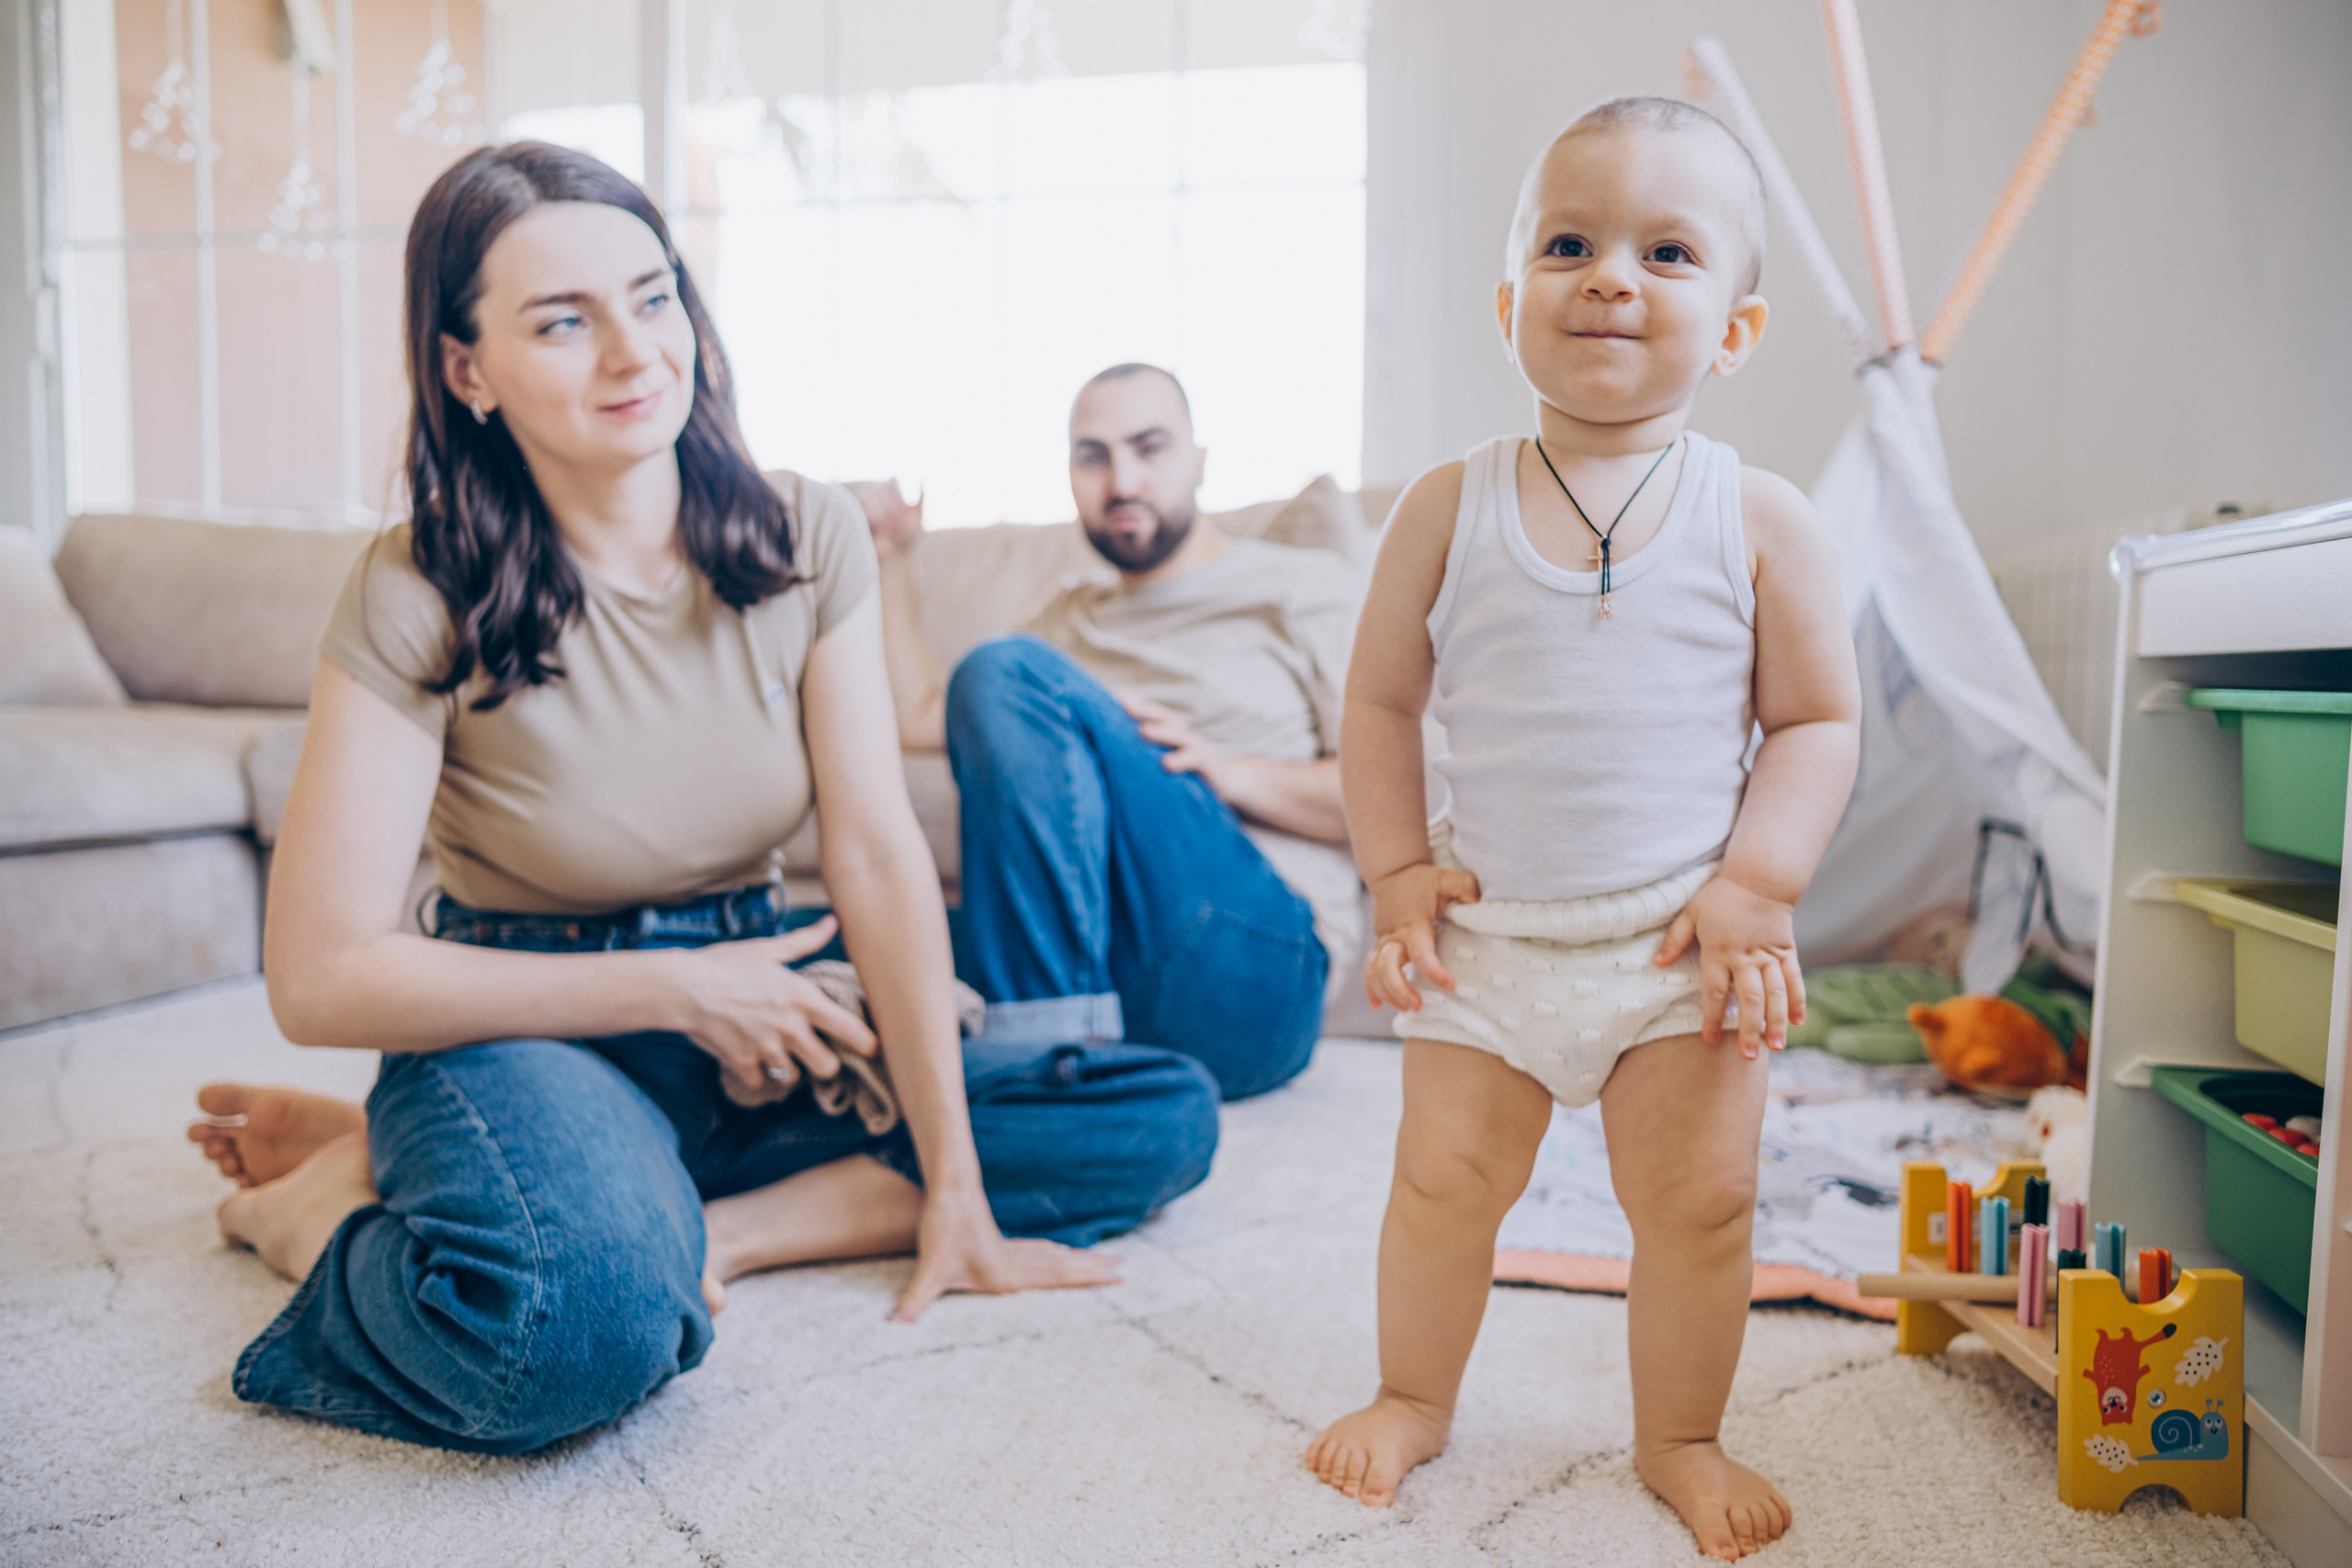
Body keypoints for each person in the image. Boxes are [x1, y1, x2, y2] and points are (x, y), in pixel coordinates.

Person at [184, 143, 1220, 1455]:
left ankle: (697, 1226)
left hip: (776, 1006)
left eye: (653, 295)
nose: (634, 353)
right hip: (530, 1019)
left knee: (1158, 1106)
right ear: (467, 369)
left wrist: (959, 1189)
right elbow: (321, 976)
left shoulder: (804, 536)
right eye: (565, 321)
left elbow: (880, 860)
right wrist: (677, 989)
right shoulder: (417, 583)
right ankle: (329, 1209)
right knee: (577, 1335)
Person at [1304, 98, 1860, 1561]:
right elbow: (1376, 701)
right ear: (1511, 306)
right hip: (1490, 942)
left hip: (1685, 938)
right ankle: (1414, 1393)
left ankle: (1681, 1431)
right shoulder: (1446, 505)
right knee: (1441, 1185)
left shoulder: (1761, 515)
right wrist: (1396, 872)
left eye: (1666, 252)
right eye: (1572, 243)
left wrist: (1761, 881)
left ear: (1733, 331)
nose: (1612, 275)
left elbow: (1815, 720)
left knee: (1701, 1200)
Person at [852, 364, 1361, 1103]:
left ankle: (1039, 1076)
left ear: (1199, 461)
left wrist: (1224, 771)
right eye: (1093, 456)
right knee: (833, 935)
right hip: (1105, 958)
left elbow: (1397, 793)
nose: (1121, 480)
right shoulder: (1068, 617)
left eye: (1149, 448)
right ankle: (1059, 1053)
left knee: (1008, 668)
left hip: (1255, 965)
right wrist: (895, 561)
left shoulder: (1301, 589)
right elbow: (928, 712)